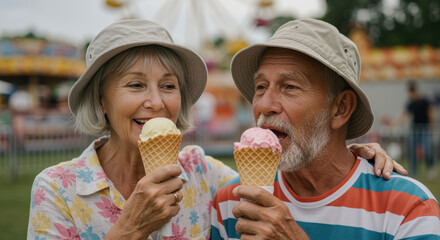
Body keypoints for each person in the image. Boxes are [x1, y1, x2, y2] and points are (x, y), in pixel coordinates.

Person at [27, 19, 405, 240]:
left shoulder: (203, 175)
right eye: (135, 84)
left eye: (170, 86)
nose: (157, 102)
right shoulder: (57, 189)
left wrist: (349, 154)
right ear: (102, 100)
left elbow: (290, 171)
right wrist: (128, 230)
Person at [211, 18, 440, 239]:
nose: (264, 105)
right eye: (261, 86)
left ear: (341, 108)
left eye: (290, 86)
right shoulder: (230, 201)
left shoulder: (408, 208)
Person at [390, 81, 436, 177]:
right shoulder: (410, 102)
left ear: (415, 91)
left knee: (428, 149)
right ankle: (414, 169)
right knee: (412, 149)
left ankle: (431, 168)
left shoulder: (424, 101)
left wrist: (432, 125)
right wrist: (395, 123)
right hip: (414, 129)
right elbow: (404, 114)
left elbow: (430, 112)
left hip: (424, 129)